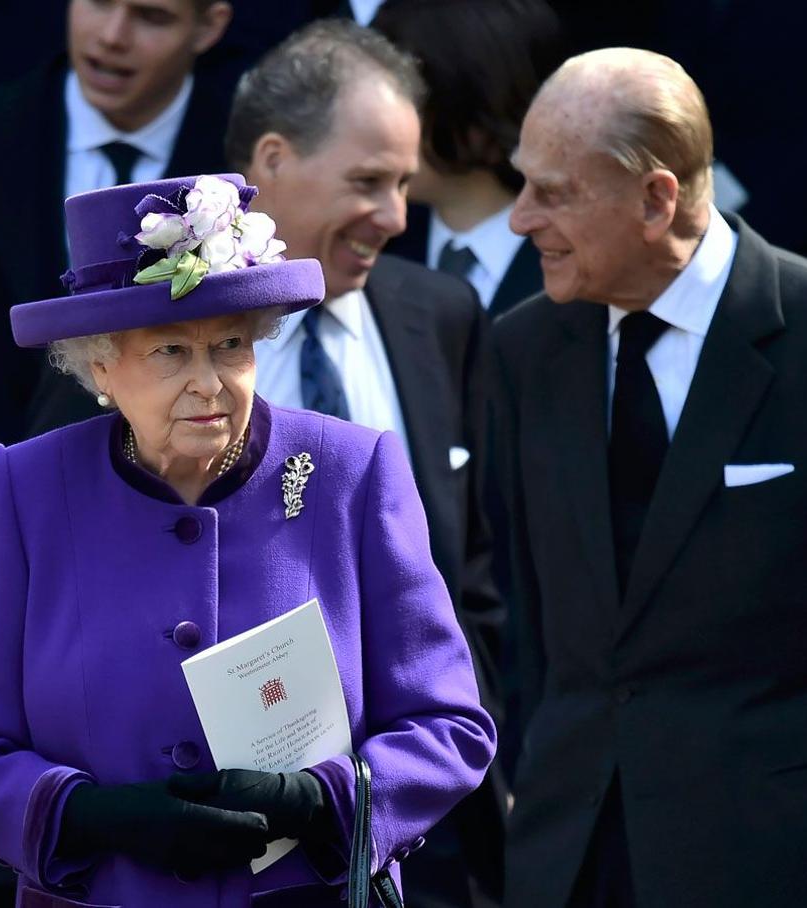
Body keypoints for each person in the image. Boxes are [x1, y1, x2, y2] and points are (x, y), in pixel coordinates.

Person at [489, 48, 807, 907]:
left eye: (554, 192)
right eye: (523, 183)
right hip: (572, 864)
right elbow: (522, 615)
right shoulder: (524, 349)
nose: (519, 219)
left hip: (794, 862)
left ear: (657, 200)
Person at [0, 172, 496, 906]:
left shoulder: (351, 472)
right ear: (101, 365)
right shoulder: (27, 490)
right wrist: (90, 816)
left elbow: (448, 725)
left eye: (229, 344)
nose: (210, 382)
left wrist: (323, 803)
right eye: (169, 352)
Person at [223, 19, 505, 906]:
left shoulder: (443, 315)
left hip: (430, 841)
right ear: (271, 160)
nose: (395, 216)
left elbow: (484, 577)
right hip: (233, 836)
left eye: (403, 185)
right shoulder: (156, 334)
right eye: (368, 182)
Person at [0, 0, 233, 531]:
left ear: (210, 25)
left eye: (151, 16)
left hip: (180, 533)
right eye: (97, 3)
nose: (113, 35)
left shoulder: (242, 163)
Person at [374, 0, 565, 318]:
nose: (382, 123)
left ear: (482, 108)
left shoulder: (576, 258)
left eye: (409, 100)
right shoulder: (374, 248)